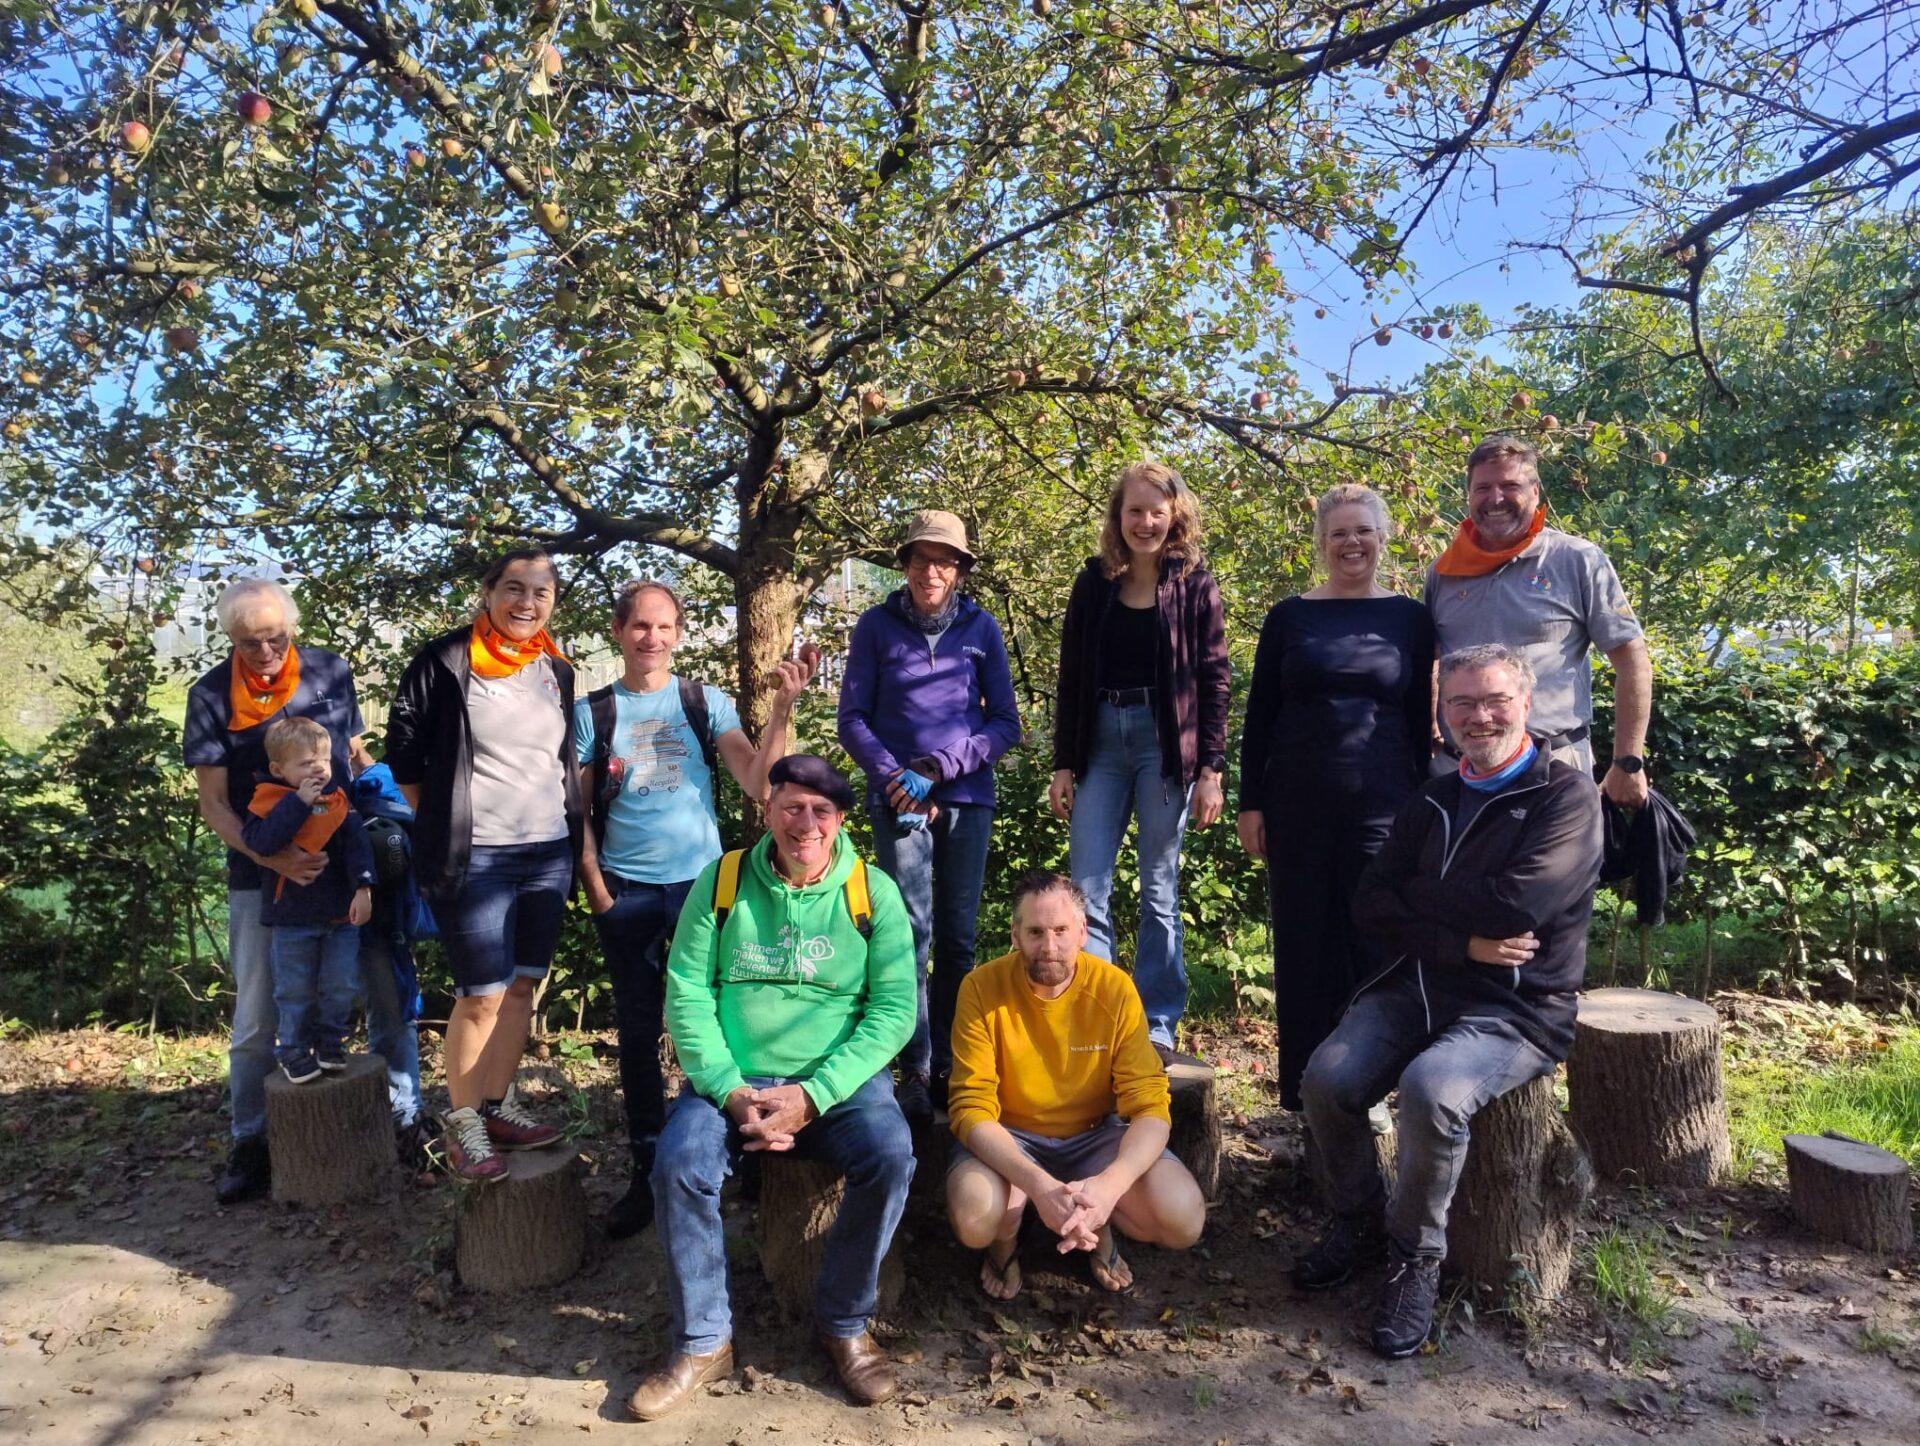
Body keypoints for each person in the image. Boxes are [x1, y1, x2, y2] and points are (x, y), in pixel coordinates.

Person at [1295, 644, 1604, 1359]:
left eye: (1494, 699)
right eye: (1461, 703)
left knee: (1430, 1089)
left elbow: (1518, 903)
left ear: (1526, 704)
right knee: (1327, 1079)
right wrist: (1460, 941)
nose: (1478, 715)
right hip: (1421, 985)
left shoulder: (1566, 797)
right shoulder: (1432, 797)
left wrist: (1425, 901)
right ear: (1443, 713)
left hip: (1518, 1009)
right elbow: (1370, 902)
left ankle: (1415, 1260)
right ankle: (1360, 1220)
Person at [632, 756, 915, 1421]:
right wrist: (730, 1090)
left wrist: (814, 1094)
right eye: (791, 808)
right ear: (768, 812)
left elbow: (895, 1010)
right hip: (731, 1079)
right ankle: (703, 1342)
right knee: (679, 1164)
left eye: (821, 811)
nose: (805, 824)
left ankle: (845, 1323)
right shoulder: (723, 881)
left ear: (841, 821)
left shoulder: (872, 893)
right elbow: (689, 992)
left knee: (891, 1154)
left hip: (835, 1084)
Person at [575, 579, 814, 1239]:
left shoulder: (701, 702)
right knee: (637, 1030)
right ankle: (648, 1168)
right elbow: (577, 807)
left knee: (726, 1024)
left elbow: (761, 781)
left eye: (664, 627)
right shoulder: (594, 711)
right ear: (619, 632)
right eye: (640, 627)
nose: (652, 638)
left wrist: (782, 709)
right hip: (625, 892)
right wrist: (595, 883)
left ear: (678, 633)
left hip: (703, 892)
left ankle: (744, 1147)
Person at [386, 548, 582, 1183]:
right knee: (481, 996)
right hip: (478, 857)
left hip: (547, 850)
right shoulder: (445, 661)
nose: (527, 603)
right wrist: (442, 819)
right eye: (514, 589)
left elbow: (558, 759)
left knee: (522, 986)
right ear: (488, 593)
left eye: (541, 591)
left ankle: (498, 1106)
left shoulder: (556, 667)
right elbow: (406, 758)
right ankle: (464, 1122)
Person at [1237, 484, 1434, 1110]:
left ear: (1384, 537)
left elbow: (1417, 716)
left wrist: (1424, 807)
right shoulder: (1288, 616)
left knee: (1375, 944)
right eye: (1339, 533)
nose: (1352, 543)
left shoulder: (1410, 617)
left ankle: (1371, 1090)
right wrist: (1251, 802)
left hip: (1384, 807)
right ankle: (1303, 1096)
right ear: (1321, 543)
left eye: (1363, 531)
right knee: (1302, 947)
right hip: (1295, 805)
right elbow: (1259, 716)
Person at [184, 577, 366, 1204]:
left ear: (292, 629)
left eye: (275, 637)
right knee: (260, 1016)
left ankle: (390, 1119)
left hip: (342, 867)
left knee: (357, 993)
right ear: (230, 638)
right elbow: (214, 804)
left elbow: (354, 755)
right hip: (259, 876)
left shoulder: (329, 672)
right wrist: (278, 858)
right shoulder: (210, 695)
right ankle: (251, 1141)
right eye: (249, 641)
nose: (264, 653)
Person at [838, 510, 1021, 1126]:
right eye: (921, 558)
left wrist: (938, 769)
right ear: (905, 564)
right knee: (908, 936)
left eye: (944, 560)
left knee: (958, 937)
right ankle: (914, 1069)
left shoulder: (982, 629)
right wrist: (897, 779)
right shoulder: (875, 627)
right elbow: (852, 718)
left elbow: (1005, 725)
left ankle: (954, 1062)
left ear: (961, 570)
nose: (931, 570)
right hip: (897, 802)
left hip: (967, 801)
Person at [946, 871, 1206, 1301]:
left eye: (1061, 931)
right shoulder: (980, 989)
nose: (1049, 946)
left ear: (1083, 932)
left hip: (1093, 1137)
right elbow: (971, 1109)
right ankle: (1006, 1241)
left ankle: (1097, 1221)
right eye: (1035, 932)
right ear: (1015, 935)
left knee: (1183, 1218)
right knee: (976, 1217)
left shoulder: (1114, 989)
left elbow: (1150, 1107)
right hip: (1010, 1139)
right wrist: (1040, 1186)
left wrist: (1109, 1186)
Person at [1050, 460, 1230, 1057]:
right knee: (1087, 886)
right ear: (1117, 516)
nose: (1146, 522)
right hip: (1100, 740)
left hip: (1165, 745)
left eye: (1158, 511)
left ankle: (1155, 1021)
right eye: (1135, 511)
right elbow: (1072, 676)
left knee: (1159, 887)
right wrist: (1062, 765)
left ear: (1175, 515)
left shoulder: (1196, 585)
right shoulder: (1094, 582)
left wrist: (1211, 770)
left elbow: (1214, 681)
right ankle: (1102, 1015)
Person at [1426, 435, 1653, 808]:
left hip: (1554, 769)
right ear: (1468, 496)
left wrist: (1628, 761)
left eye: (1510, 485)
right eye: (1483, 487)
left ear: (1535, 492)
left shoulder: (1578, 560)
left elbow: (1632, 661)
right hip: (1457, 772)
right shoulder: (1443, 571)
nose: (1495, 498)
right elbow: (1433, 659)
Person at [239, 718, 375, 1083]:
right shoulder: (268, 802)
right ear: (278, 769)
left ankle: (331, 1042)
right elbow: (263, 843)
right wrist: (298, 803)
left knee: (341, 985)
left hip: (339, 917)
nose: (318, 771)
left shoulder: (338, 802)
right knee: (294, 991)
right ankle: (293, 1049)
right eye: (306, 764)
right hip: (292, 920)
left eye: (325, 763)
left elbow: (357, 848)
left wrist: (364, 889)